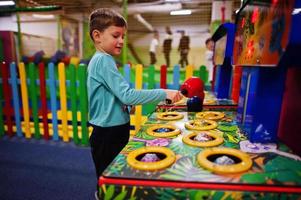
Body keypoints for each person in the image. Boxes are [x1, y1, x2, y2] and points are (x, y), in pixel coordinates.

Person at [87, 8, 182, 199]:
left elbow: (113, 97)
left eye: (123, 36)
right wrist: (164, 92)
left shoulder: (103, 60)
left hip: (112, 129)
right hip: (108, 133)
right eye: (116, 35)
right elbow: (127, 95)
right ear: (97, 36)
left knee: (114, 177)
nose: (121, 41)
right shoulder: (103, 60)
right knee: (110, 180)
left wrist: (123, 106)